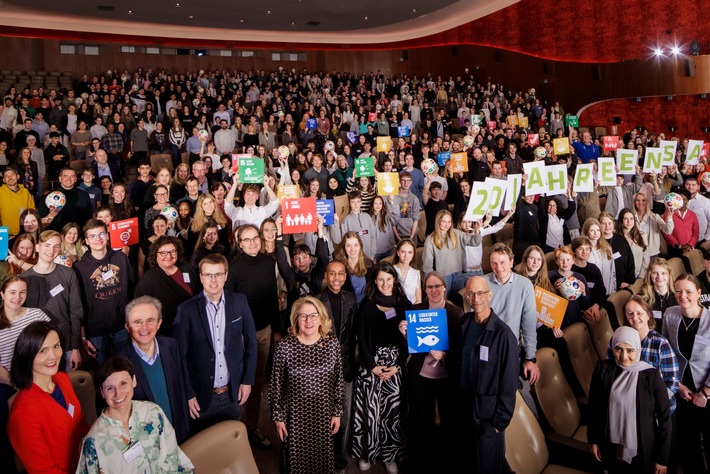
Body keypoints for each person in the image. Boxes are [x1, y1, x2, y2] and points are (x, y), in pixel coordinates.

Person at [173, 254, 257, 434]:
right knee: (202, 450)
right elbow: (179, 357)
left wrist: (247, 381)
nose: (214, 280)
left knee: (229, 446)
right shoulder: (186, 310)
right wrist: (188, 394)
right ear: (201, 277)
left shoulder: (239, 302)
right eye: (208, 275)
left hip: (234, 393)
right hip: (201, 396)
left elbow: (251, 343)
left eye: (218, 274)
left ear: (226, 275)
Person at [77, 356, 195, 473]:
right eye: (110, 388)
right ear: (102, 392)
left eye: (123, 383)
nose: (118, 394)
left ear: (134, 381)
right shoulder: (94, 440)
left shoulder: (153, 412)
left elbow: (172, 457)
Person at [269, 296, 344, 474]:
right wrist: (278, 418)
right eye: (303, 316)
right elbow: (276, 385)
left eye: (313, 315)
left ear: (321, 318)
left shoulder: (332, 344)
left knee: (321, 459)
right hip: (294, 416)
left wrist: (337, 412)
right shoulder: (285, 346)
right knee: (295, 462)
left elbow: (339, 381)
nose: (308, 321)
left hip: (323, 413)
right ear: (296, 319)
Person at [401, 271, 463, 473]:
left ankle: (447, 462)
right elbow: (411, 346)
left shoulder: (456, 313)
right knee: (421, 422)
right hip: (421, 376)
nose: (434, 290)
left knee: (449, 421)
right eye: (429, 287)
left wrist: (445, 356)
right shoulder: (416, 310)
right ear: (425, 290)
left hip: (446, 377)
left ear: (445, 287)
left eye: (437, 286)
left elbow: (462, 350)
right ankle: (421, 462)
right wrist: (405, 332)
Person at [7, 321, 90, 473]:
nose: (53, 356)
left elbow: (80, 423)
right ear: (27, 355)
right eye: (42, 351)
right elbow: (43, 470)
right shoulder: (23, 413)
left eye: (56, 346)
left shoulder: (61, 378)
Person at [226, 224, 281, 449]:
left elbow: (272, 297)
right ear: (239, 244)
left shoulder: (269, 263)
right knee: (237, 381)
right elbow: (228, 305)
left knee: (257, 381)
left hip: (264, 331)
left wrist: (276, 329)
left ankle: (252, 426)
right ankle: (231, 430)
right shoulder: (233, 268)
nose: (252, 242)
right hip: (239, 335)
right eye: (246, 240)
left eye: (255, 238)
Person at [352, 261, 410, 474]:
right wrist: (373, 366)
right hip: (371, 364)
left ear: (394, 280)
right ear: (374, 281)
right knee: (371, 412)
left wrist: (398, 365)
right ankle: (368, 452)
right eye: (381, 279)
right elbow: (362, 339)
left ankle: (389, 456)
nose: (385, 283)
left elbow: (409, 340)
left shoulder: (405, 304)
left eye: (389, 279)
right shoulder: (366, 305)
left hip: (395, 365)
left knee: (392, 413)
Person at [588, 327, 671, 474]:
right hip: (610, 444)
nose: (623, 356)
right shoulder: (603, 369)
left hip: (643, 447)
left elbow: (665, 418)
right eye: (618, 349)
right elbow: (593, 407)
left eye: (630, 350)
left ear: (637, 349)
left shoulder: (651, 376)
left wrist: (662, 458)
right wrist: (593, 440)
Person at [458, 276, 519, 473]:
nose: (476, 298)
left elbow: (509, 383)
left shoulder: (504, 335)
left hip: (488, 418)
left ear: (489, 295)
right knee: (467, 461)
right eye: (471, 294)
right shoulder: (465, 322)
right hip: (465, 408)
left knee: (487, 468)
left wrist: (498, 423)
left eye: (480, 293)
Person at [0, 276, 51, 469]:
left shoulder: (37, 315)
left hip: (38, 378)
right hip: (8, 383)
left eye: (22, 292)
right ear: (2, 294)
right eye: (12, 292)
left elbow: (50, 345)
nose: (17, 297)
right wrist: (16, 382)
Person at [662, 273, 710, 473]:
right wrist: (677, 385)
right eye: (678, 291)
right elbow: (665, 352)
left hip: (706, 392)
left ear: (698, 293)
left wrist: (706, 393)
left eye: (688, 291)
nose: (683, 296)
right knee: (688, 441)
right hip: (682, 390)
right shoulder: (670, 314)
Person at [316, 260, 357, 473]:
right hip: (321, 369)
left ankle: (339, 462)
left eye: (341, 273)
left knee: (344, 417)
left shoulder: (350, 299)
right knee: (322, 416)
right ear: (326, 275)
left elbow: (354, 333)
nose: (336, 278)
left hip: (346, 366)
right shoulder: (315, 301)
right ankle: (322, 459)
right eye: (332, 273)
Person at [22, 230, 84, 371]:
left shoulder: (68, 274)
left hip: (65, 343)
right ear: (38, 248)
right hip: (38, 345)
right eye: (47, 245)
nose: (52, 250)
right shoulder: (25, 278)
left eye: (56, 246)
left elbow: (76, 312)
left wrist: (75, 347)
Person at [74, 219, 133, 365]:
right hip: (96, 331)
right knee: (103, 372)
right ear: (86, 241)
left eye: (101, 234)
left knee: (126, 366)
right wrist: (83, 336)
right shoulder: (79, 268)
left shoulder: (121, 258)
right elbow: (79, 304)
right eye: (92, 236)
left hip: (122, 326)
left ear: (107, 236)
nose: (98, 239)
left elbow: (132, 288)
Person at [486, 243, 540, 384]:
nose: (498, 267)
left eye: (503, 262)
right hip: (488, 346)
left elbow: (529, 323)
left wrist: (530, 358)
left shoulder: (525, 285)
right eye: (494, 263)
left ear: (511, 262)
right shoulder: (482, 283)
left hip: (511, 347)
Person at [134, 236, 199, 335]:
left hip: (193, 326)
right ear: (156, 254)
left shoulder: (186, 267)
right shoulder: (148, 280)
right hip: (169, 333)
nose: (169, 256)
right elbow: (140, 311)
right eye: (163, 253)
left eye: (172, 251)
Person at [422, 209, 482, 297]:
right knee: (444, 304)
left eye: (449, 222)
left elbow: (475, 242)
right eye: (444, 221)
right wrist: (431, 284)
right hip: (442, 278)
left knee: (459, 302)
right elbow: (427, 266)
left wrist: (476, 230)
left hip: (458, 275)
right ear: (438, 222)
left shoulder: (457, 233)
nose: (447, 225)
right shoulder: (430, 240)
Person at [333, 231, 374, 305]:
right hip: (348, 308)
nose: (352, 249)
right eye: (348, 246)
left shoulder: (369, 264)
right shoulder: (339, 266)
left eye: (356, 245)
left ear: (360, 246)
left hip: (367, 307)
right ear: (344, 247)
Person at [639, 257, 677, 333]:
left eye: (663, 273)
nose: (659, 277)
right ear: (650, 275)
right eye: (655, 273)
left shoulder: (678, 296)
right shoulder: (643, 298)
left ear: (669, 275)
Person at [0, 167, 35, 238]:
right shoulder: (1, 193)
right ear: (3, 180)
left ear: (18, 176)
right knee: (3, 249)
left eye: (12, 175)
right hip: (6, 235)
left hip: (25, 233)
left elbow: (32, 211)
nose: (10, 178)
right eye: (7, 176)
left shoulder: (25, 192)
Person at [392, 238, 422, 305]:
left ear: (413, 254)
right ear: (398, 253)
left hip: (412, 311)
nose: (406, 256)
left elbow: (418, 300)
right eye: (403, 252)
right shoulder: (391, 270)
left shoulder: (416, 273)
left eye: (409, 252)